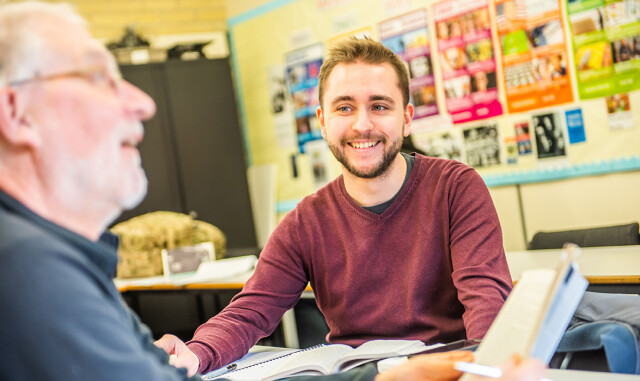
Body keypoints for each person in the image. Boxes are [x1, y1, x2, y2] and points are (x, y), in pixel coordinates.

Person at [157, 36, 513, 377]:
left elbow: (486, 304)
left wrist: (484, 371)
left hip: (446, 372)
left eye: (379, 106)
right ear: (323, 122)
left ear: (406, 118)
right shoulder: (305, 222)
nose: (362, 125)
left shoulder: (455, 188)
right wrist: (197, 352)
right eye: (345, 107)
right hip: (356, 375)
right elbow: (250, 311)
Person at [0, 2, 199, 380]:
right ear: (17, 113)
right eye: (98, 76)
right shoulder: (27, 267)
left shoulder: (59, 254)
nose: (144, 103)